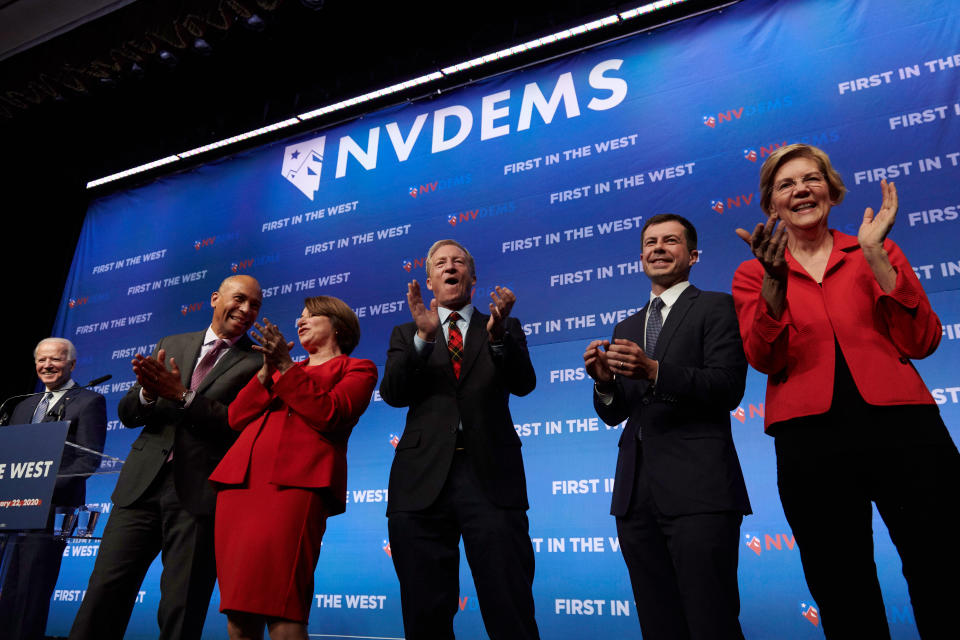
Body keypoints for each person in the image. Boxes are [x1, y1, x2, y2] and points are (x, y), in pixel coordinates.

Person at [732, 143, 960, 639]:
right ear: (772, 205)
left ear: (831, 191)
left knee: (945, 567)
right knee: (841, 583)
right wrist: (774, 285)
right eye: (786, 184)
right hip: (811, 440)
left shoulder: (874, 248)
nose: (801, 190)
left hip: (906, 429)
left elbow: (922, 342)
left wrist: (877, 255)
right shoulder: (754, 273)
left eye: (811, 179)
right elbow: (763, 358)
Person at [583, 214, 751, 640]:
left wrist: (656, 370)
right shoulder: (626, 326)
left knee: (711, 619)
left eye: (670, 240)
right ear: (641, 257)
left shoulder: (717, 306)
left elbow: (728, 387)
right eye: (651, 242)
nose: (658, 248)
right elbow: (617, 412)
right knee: (658, 623)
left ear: (692, 255)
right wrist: (604, 383)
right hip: (635, 495)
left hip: (700, 489)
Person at [69, 275, 263, 640]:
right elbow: (128, 413)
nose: (246, 310)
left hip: (199, 494)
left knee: (182, 604)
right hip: (140, 486)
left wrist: (181, 395)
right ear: (215, 298)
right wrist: (146, 392)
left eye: (255, 305)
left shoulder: (257, 362)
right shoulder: (172, 343)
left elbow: (235, 424)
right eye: (239, 299)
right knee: (104, 592)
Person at [380, 239, 540, 640]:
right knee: (425, 612)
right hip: (420, 484)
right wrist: (423, 338)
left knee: (510, 606)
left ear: (472, 276)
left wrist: (500, 336)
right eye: (440, 263)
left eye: (458, 262)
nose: (450, 267)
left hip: (490, 478)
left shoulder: (501, 326)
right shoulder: (407, 332)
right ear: (429, 281)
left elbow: (524, 384)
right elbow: (394, 393)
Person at [209, 296, 377, 640]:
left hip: (294, 488)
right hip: (241, 487)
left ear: (338, 325)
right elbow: (236, 417)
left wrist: (285, 368)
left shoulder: (357, 368)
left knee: (282, 607)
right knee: (238, 611)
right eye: (299, 317)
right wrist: (267, 371)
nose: (300, 322)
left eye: (311, 316)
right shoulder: (282, 369)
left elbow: (330, 414)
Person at [0, 337, 107, 640]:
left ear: (71, 364)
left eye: (55, 360)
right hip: (11, 511)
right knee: (8, 587)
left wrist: (39, 485)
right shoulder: (22, 406)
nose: (47, 365)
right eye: (41, 360)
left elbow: (88, 460)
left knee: (32, 590)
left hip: (51, 512)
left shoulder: (89, 402)